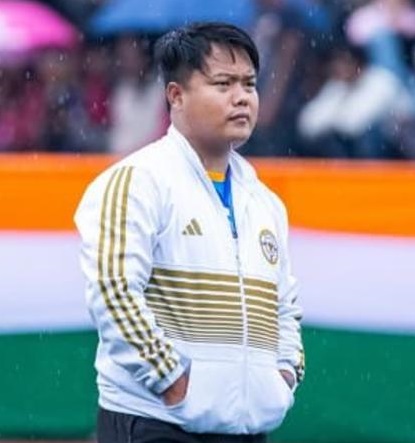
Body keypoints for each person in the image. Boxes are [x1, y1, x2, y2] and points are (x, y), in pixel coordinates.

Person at [75, 22, 304, 443]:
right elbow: (113, 292)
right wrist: (171, 380)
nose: (241, 97)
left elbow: (284, 306)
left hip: (245, 427)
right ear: (176, 96)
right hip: (155, 423)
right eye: (223, 84)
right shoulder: (137, 180)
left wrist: (285, 375)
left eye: (249, 84)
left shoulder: (265, 201)